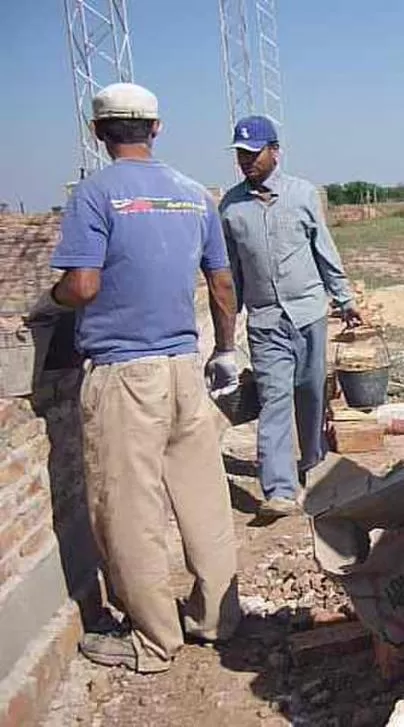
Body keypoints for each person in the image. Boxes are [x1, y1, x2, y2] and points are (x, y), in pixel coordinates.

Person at [32, 83, 242, 673]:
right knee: (203, 498)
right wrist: (223, 352)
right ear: (157, 129)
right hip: (184, 371)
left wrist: (52, 298)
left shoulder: (94, 195)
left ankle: (153, 640)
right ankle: (217, 618)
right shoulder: (193, 195)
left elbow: (83, 286)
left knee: (130, 512)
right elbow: (222, 286)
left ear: (99, 133)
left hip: (125, 375)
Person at [219, 116, 361, 518]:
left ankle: (312, 461)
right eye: (240, 154)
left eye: (253, 153)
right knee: (274, 400)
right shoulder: (231, 208)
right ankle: (280, 490)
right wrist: (227, 338)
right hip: (265, 321)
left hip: (308, 312)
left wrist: (344, 298)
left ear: (275, 152)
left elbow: (324, 251)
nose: (245, 160)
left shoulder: (302, 195)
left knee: (311, 393)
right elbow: (231, 273)